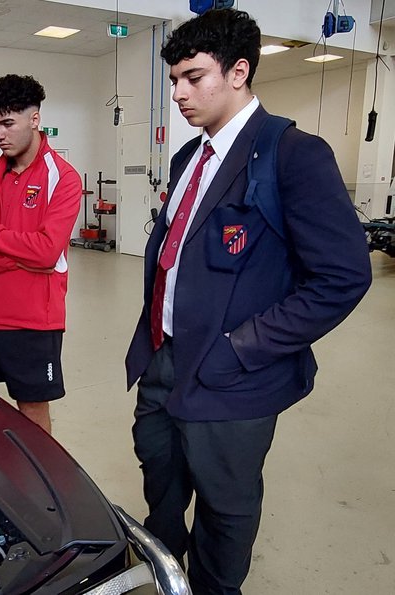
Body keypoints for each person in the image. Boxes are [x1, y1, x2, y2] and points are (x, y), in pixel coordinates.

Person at [124, 10, 371, 595]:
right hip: (164, 362)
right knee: (161, 481)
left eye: (193, 77)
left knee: (224, 504)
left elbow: (342, 276)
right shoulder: (190, 159)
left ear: (239, 72)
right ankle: (167, 573)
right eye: (175, 81)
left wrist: (243, 347)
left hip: (233, 376)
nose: (179, 93)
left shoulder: (292, 154)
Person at [0, 74, 82, 434]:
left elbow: (47, 250)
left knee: (33, 410)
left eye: (7, 123)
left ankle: (39, 484)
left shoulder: (63, 178)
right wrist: (9, 258)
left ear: (34, 119)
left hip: (33, 321)